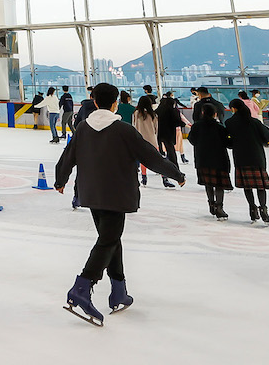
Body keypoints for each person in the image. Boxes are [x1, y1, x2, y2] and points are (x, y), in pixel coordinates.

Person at [55, 83, 185, 326]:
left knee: (111, 239)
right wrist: (176, 173)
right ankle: (82, 287)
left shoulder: (83, 127)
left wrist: (60, 179)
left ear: (94, 102)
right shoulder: (123, 129)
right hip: (116, 194)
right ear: (115, 103)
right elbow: (151, 155)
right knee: (108, 240)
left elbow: (68, 155)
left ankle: (118, 291)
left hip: (92, 193)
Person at [225, 99, 269, 223]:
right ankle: (263, 209)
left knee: (247, 186)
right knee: (260, 186)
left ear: (233, 109)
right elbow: (266, 137)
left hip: (241, 157)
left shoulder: (230, 123)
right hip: (256, 156)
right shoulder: (255, 122)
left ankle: (252, 209)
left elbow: (228, 142)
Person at [188, 103, 232, 220]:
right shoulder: (220, 127)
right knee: (219, 185)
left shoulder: (196, 126)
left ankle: (211, 204)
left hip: (203, 159)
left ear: (202, 113)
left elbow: (192, 140)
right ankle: (219, 207)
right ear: (215, 114)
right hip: (219, 159)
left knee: (208, 184)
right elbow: (228, 143)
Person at [155, 94, 182, 188]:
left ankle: (162, 171)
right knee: (171, 152)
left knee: (161, 153)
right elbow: (177, 121)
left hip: (159, 134)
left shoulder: (157, 111)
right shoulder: (172, 111)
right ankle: (175, 170)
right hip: (169, 135)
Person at [132, 95, 159, 186]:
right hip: (152, 139)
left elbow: (134, 125)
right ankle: (164, 177)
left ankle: (144, 176)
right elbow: (156, 128)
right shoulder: (153, 114)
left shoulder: (136, 113)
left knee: (142, 159)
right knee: (157, 158)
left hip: (140, 139)